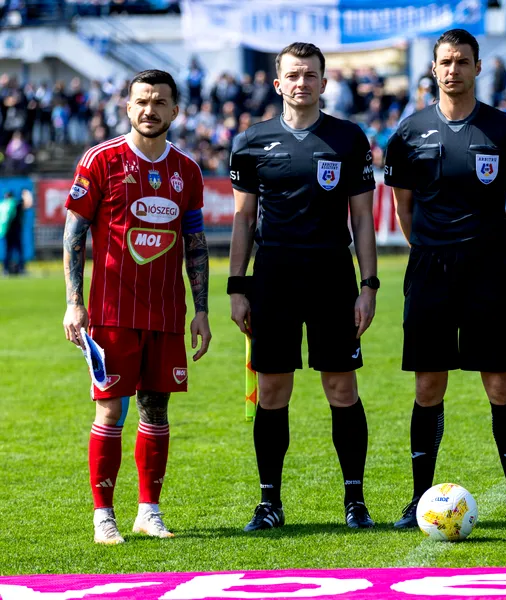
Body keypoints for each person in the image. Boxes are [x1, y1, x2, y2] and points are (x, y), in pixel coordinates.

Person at [384, 28, 506, 529]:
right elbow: (403, 207)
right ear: (434, 69)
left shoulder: (503, 129)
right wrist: (430, 250)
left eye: (462, 61)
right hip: (430, 271)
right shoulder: (409, 132)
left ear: (478, 67)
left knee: (500, 385)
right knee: (428, 386)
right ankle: (417, 499)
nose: (453, 70)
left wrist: (495, 253)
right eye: (446, 62)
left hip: (487, 272)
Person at [228, 42, 378, 532]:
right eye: (293, 75)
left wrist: (369, 285)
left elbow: (362, 218)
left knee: (341, 386)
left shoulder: (348, 138)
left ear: (324, 82)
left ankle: (355, 501)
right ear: (278, 84)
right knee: (273, 390)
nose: (301, 83)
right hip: (273, 277)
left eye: (310, 75)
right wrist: (236, 287)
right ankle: (269, 503)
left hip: (333, 276)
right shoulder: (251, 141)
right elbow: (243, 218)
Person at [61, 69, 210, 544]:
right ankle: (103, 515)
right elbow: (74, 234)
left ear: (175, 110)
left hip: (165, 313)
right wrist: (74, 303)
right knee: (109, 412)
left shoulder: (186, 170)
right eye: (142, 101)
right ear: (128, 107)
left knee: (156, 410)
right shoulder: (101, 160)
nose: (150, 109)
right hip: (111, 313)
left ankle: (149, 511)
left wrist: (201, 310)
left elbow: (195, 244)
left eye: (159, 101)